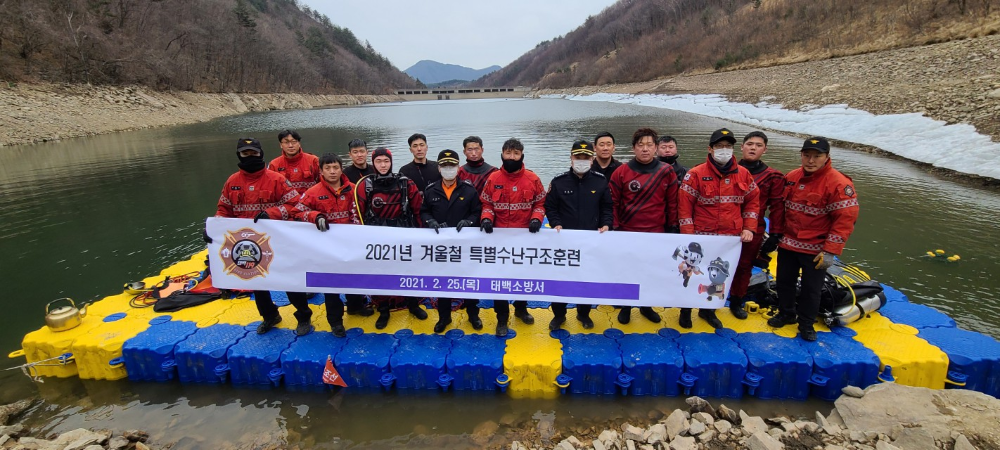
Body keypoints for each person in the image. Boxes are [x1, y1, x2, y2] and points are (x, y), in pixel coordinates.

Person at [213, 138, 310, 335]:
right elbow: (223, 209)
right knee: (257, 284)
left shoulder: (277, 179)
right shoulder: (232, 182)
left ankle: (303, 315)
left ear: (261, 153)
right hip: (247, 244)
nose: (250, 157)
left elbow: (295, 205)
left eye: (253, 153)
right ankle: (270, 316)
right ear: (239, 155)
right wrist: (212, 228)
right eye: (245, 153)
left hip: (277, 241)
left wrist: (271, 213)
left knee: (289, 280)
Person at [768, 137, 859, 341]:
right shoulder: (791, 177)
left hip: (816, 249)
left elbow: (845, 220)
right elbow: (780, 210)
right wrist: (776, 235)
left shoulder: (839, 184)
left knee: (812, 289)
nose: (811, 160)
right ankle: (786, 313)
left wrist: (830, 251)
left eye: (816, 156)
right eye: (807, 155)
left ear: (827, 157)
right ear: (801, 155)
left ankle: (806, 324)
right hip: (788, 244)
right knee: (784, 282)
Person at [677, 128, 760, 329]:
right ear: (711, 149)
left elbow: (752, 202)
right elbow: (684, 208)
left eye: (728, 147)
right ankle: (685, 310)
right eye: (720, 146)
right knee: (692, 272)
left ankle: (708, 311)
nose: (724, 150)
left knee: (718, 275)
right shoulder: (695, 174)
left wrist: (749, 228)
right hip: (700, 238)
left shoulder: (744, 174)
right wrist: (689, 238)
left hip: (728, 239)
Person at [292, 153, 373, 337]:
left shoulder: (354, 190)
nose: (332, 171)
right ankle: (335, 321)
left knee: (354, 278)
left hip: (352, 245)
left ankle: (355, 306)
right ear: (321, 170)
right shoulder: (313, 193)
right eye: (327, 168)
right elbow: (296, 212)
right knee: (331, 284)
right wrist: (315, 216)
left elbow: (364, 213)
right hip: (326, 249)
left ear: (341, 168)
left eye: (335, 167)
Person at [609, 128, 679, 324]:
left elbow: (672, 202)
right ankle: (625, 307)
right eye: (641, 145)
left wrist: (673, 226)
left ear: (656, 148)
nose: (645, 149)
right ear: (633, 148)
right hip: (628, 231)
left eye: (649, 145)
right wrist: (614, 227)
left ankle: (646, 305)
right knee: (627, 270)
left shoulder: (666, 171)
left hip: (656, 232)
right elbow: (613, 203)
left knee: (651, 271)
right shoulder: (621, 172)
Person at [544, 140, 613, 331]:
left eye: (586, 157)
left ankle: (584, 314)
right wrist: (555, 222)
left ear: (592, 160)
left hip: (590, 240)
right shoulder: (559, 182)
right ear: (571, 158)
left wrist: (606, 224)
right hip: (564, 241)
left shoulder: (600, 181)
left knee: (586, 278)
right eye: (578, 157)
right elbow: (550, 206)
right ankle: (559, 314)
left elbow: (606, 207)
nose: (582, 160)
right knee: (560, 279)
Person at [480, 138, 546, 337]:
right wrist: (486, 219)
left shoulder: (532, 179)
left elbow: (541, 204)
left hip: (525, 238)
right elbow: (487, 204)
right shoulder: (493, 179)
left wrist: (536, 218)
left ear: (522, 155)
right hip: (499, 240)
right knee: (499, 280)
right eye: (508, 153)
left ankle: (521, 308)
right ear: (502, 154)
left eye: (516, 154)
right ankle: (501, 318)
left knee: (522, 277)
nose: (512, 157)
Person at [355, 147, 427, 329]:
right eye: (379, 161)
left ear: (391, 162)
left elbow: (418, 210)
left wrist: (422, 234)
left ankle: (413, 304)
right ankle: (384, 309)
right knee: (380, 274)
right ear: (373, 163)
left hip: (403, 236)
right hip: (377, 238)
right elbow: (359, 214)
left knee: (408, 272)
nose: (383, 165)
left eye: (386, 161)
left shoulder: (405, 183)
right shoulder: (365, 185)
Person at [420, 149, 484, 333]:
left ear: (458, 167)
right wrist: (429, 221)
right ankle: (444, 317)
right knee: (443, 281)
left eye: (452, 165)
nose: (449, 169)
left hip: (464, 245)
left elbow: (477, 211)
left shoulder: (469, 190)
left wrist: (469, 221)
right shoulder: (431, 190)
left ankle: (473, 314)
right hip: (441, 245)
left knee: (470, 280)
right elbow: (424, 211)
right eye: (445, 165)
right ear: (439, 168)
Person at [728, 131, 785, 319]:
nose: (753, 148)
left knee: (744, 267)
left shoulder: (773, 176)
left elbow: (777, 208)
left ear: (765, 149)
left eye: (758, 145)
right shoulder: (726, 169)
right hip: (724, 226)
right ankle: (709, 300)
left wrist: (776, 235)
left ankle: (736, 301)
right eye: (750, 144)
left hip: (753, 229)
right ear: (742, 147)